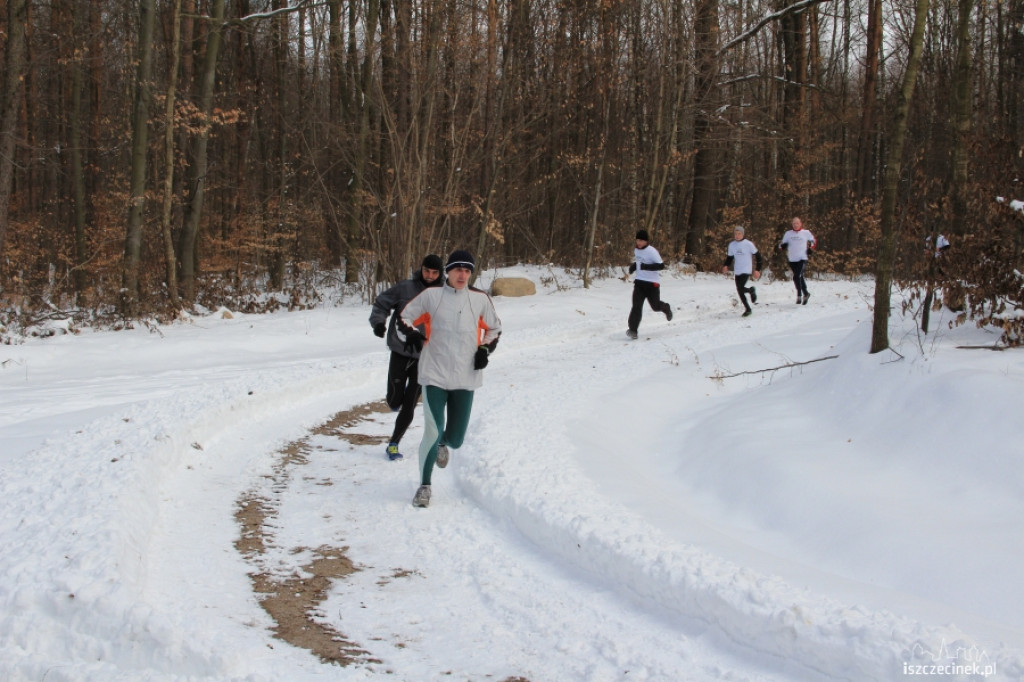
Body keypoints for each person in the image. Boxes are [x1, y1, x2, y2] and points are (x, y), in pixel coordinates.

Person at [399, 249, 501, 508]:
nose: (462, 274)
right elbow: (404, 317)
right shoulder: (432, 297)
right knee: (432, 432)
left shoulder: (479, 300)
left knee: (455, 439)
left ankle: (445, 443)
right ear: (449, 271)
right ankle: (425, 486)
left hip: (466, 377)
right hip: (434, 373)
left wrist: (484, 350)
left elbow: (495, 328)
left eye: (467, 270)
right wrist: (411, 335)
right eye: (458, 269)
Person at [368, 254, 444, 461]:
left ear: (440, 273)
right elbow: (382, 303)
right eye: (426, 271)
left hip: (425, 355)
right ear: (421, 269)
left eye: (434, 272)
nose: (429, 275)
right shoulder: (406, 288)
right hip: (400, 350)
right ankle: (394, 401)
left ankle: (393, 443)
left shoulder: (444, 294)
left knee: (410, 402)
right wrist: (378, 323)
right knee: (395, 398)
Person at [626, 229, 673, 339]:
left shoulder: (652, 251)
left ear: (646, 241)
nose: (639, 242)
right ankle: (633, 330)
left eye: (641, 240)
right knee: (636, 306)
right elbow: (639, 261)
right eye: (637, 240)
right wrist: (633, 267)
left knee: (655, 306)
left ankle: (666, 308)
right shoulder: (636, 250)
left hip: (652, 284)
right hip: (639, 283)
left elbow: (661, 265)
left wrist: (646, 267)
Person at [722, 226, 762, 316]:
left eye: (739, 233)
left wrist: (757, 270)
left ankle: (748, 307)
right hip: (738, 270)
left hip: (746, 269)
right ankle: (748, 304)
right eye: (735, 234)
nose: (737, 235)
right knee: (739, 290)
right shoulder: (732, 245)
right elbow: (729, 257)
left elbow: (758, 257)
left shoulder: (748, 244)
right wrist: (726, 265)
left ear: (743, 234)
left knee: (740, 288)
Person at [779, 217, 816, 304]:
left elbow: (814, 241)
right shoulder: (788, 234)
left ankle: (799, 295)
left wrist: (810, 248)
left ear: (800, 224)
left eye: (797, 223)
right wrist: (782, 246)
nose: (795, 225)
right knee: (799, 277)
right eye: (794, 223)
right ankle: (806, 293)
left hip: (802, 258)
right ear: (792, 224)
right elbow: (781, 245)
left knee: (797, 276)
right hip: (792, 259)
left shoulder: (805, 233)